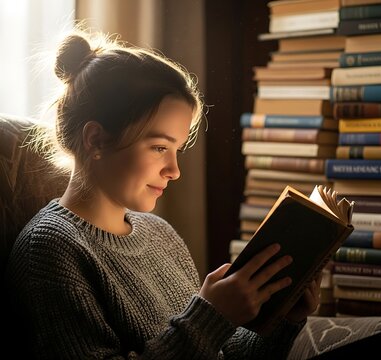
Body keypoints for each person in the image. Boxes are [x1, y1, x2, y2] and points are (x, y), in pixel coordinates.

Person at [5, 29, 321, 359]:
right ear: (96, 139)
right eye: (159, 147)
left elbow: (217, 353)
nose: (174, 170)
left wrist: (284, 317)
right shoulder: (49, 249)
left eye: (177, 150)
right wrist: (211, 317)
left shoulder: (161, 234)